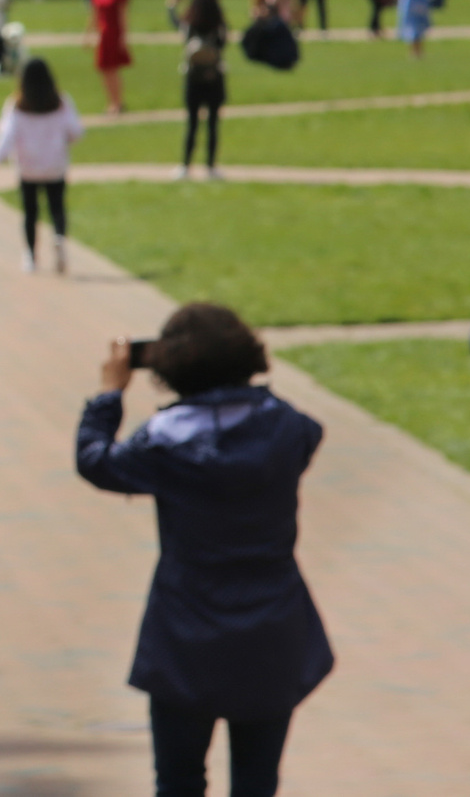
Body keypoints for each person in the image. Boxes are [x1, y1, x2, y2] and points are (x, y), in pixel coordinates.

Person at [77, 305, 331, 797]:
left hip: (185, 627)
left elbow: (96, 462)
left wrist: (109, 394)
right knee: (257, 783)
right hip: (272, 624)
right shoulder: (286, 428)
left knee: (178, 779)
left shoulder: (163, 444)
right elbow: (306, 432)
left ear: (170, 367)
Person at [0, 57, 83, 272]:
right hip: (54, 164)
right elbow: (76, 131)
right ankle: (59, 237)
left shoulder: (17, 105)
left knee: (30, 213)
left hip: (28, 167)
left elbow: (6, 136)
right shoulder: (61, 102)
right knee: (57, 207)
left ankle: (30, 255)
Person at [174, 0, 229, 181]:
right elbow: (223, 45)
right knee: (213, 124)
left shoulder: (191, 25)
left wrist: (172, 5)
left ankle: (185, 165)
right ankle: (211, 165)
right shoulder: (218, 25)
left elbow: (177, 25)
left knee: (192, 123)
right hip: (215, 78)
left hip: (193, 79)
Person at [89, 0, 133, 114]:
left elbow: (123, 16)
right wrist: (89, 34)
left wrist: (124, 38)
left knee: (113, 69)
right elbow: (94, 15)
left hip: (114, 34)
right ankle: (110, 102)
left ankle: (118, 102)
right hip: (102, 35)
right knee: (104, 70)